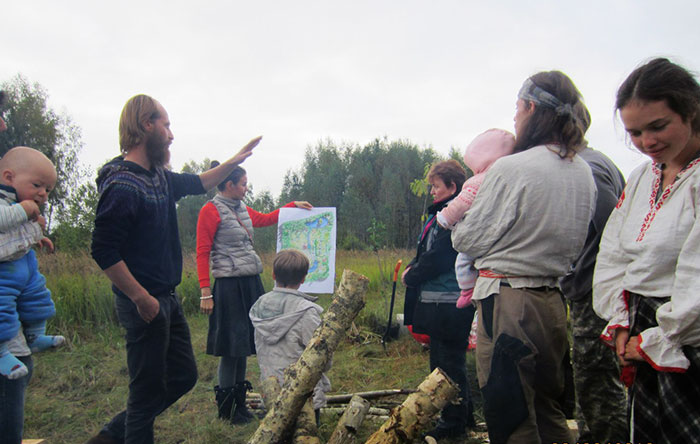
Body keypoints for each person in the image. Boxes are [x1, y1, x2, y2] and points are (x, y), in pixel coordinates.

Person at [88, 94, 260, 444]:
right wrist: (140, 298)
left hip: (166, 297)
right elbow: (103, 249)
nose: (171, 134)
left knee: (183, 376)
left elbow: (199, 182)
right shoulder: (122, 183)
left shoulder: (160, 177)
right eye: (166, 124)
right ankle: (121, 435)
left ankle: (110, 436)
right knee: (144, 393)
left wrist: (235, 160)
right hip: (143, 303)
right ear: (145, 125)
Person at [452, 71, 595, 444]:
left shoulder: (513, 168)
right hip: (552, 303)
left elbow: (466, 237)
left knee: (510, 410)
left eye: (517, 109)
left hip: (509, 302)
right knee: (549, 408)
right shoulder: (583, 171)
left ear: (531, 108)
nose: (515, 118)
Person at [593, 57, 700, 444]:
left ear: (690, 110)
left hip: (688, 334)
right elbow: (614, 252)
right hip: (641, 323)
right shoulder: (643, 176)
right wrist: (620, 321)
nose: (647, 142)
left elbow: (697, 275)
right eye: (635, 133)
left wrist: (661, 336)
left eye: (658, 126)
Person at [196, 162, 311, 424]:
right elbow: (202, 251)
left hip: (249, 284)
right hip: (228, 287)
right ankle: (226, 410)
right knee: (230, 349)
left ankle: (240, 405)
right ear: (228, 185)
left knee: (244, 345)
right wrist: (205, 291)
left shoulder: (241, 209)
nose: (246, 189)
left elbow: (266, 219)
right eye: (243, 184)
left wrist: (293, 206)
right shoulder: (210, 211)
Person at [559, 103, 627, 443]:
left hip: (597, 297)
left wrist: (591, 282)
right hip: (591, 292)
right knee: (591, 383)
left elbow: (614, 232)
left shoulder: (588, 168)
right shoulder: (593, 162)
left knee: (598, 385)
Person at [402, 159, 477, 440]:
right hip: (441, 305)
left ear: (452, 187)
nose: (432, 192)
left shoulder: (455, 216)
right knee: (448, 362)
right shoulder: (441, 215)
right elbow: (425, 252)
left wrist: (413, 275)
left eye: (436, 186)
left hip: (449, 304)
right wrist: (413, 265)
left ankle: (452, 423)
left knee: (447, 367)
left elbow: (441, 257)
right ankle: (463, 416)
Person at [0, 147, 63, 378]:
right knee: (1, 310)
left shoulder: (17, 203)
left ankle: (35, 336)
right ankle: (1, 354)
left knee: (38, 297)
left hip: (25, 271)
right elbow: (3, 222)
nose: (43, 194)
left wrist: (38, 237)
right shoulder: (5, 202)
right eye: (37, 185)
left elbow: (14, 234)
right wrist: (24, 209)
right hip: (4, 275)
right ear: (9, 177)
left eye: (47, 189)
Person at [435, 128, 515, 308]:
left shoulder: (478, 181)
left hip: (479, 237)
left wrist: (444, 218)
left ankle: (467, 290)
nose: (432, 191)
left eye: (435, 186)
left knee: (463, 261)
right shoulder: (513, 177)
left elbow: (461, 204)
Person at [249, 249, 329, 423]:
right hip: (303, 395)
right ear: (303, 278)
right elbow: (320, 354)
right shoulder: (307, 312)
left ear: (273, 274)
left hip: (272, 388)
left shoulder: (260, 306)